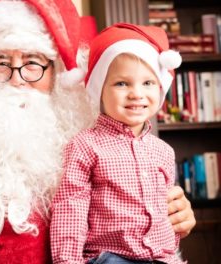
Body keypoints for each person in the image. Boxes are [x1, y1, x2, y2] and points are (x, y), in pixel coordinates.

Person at [0, 0, 195, 263]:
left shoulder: (92, 135)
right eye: (0, 63)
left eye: (33, 63)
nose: (17, 79)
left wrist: (175, 213)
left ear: (59, 76)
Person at [50, 23, 185, 263]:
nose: (136, 93)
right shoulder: (85, 145)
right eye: (122, 83)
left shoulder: (163, 151)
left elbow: (167, 215)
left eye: (148, 83)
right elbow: (71, 207)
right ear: (99, 90)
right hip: (112, 257)